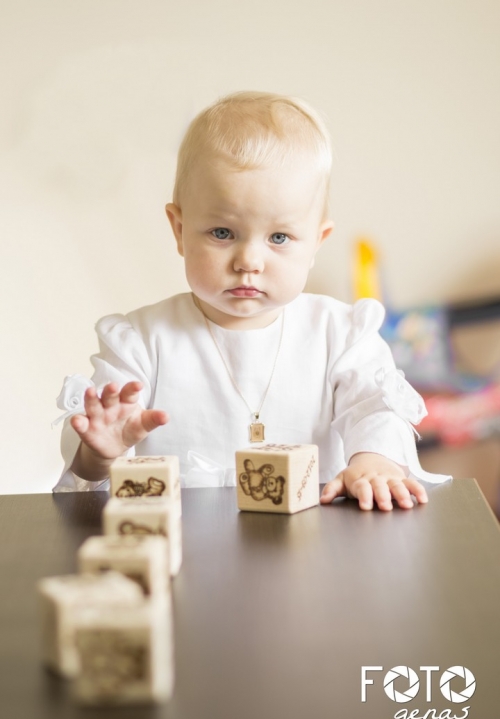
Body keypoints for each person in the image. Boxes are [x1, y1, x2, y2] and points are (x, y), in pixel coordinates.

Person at [53, 91, 449, 510]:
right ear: (179, 229)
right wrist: (101, 452)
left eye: (279, 238)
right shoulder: (140, 342)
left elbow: (375, 409)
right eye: (222, 233)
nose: (248, 261)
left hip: (313, 545)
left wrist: (373, 462)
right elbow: (93, 451)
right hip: (182, 546)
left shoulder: (340, 334)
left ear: (316, 242)